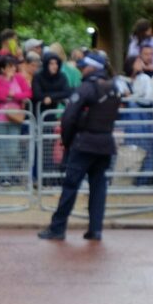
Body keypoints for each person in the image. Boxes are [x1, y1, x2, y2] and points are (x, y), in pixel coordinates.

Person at [38, 52, 121, 241]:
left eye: (84, 67)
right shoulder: (114, 88)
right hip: (105, 143)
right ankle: (95, 229)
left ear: (92, 68)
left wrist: (67, 141)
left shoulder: (86, 88)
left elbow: (68, 117)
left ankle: (58, 228)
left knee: (70, 186)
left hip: (84, 143)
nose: (82, 70)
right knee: (99, 187)